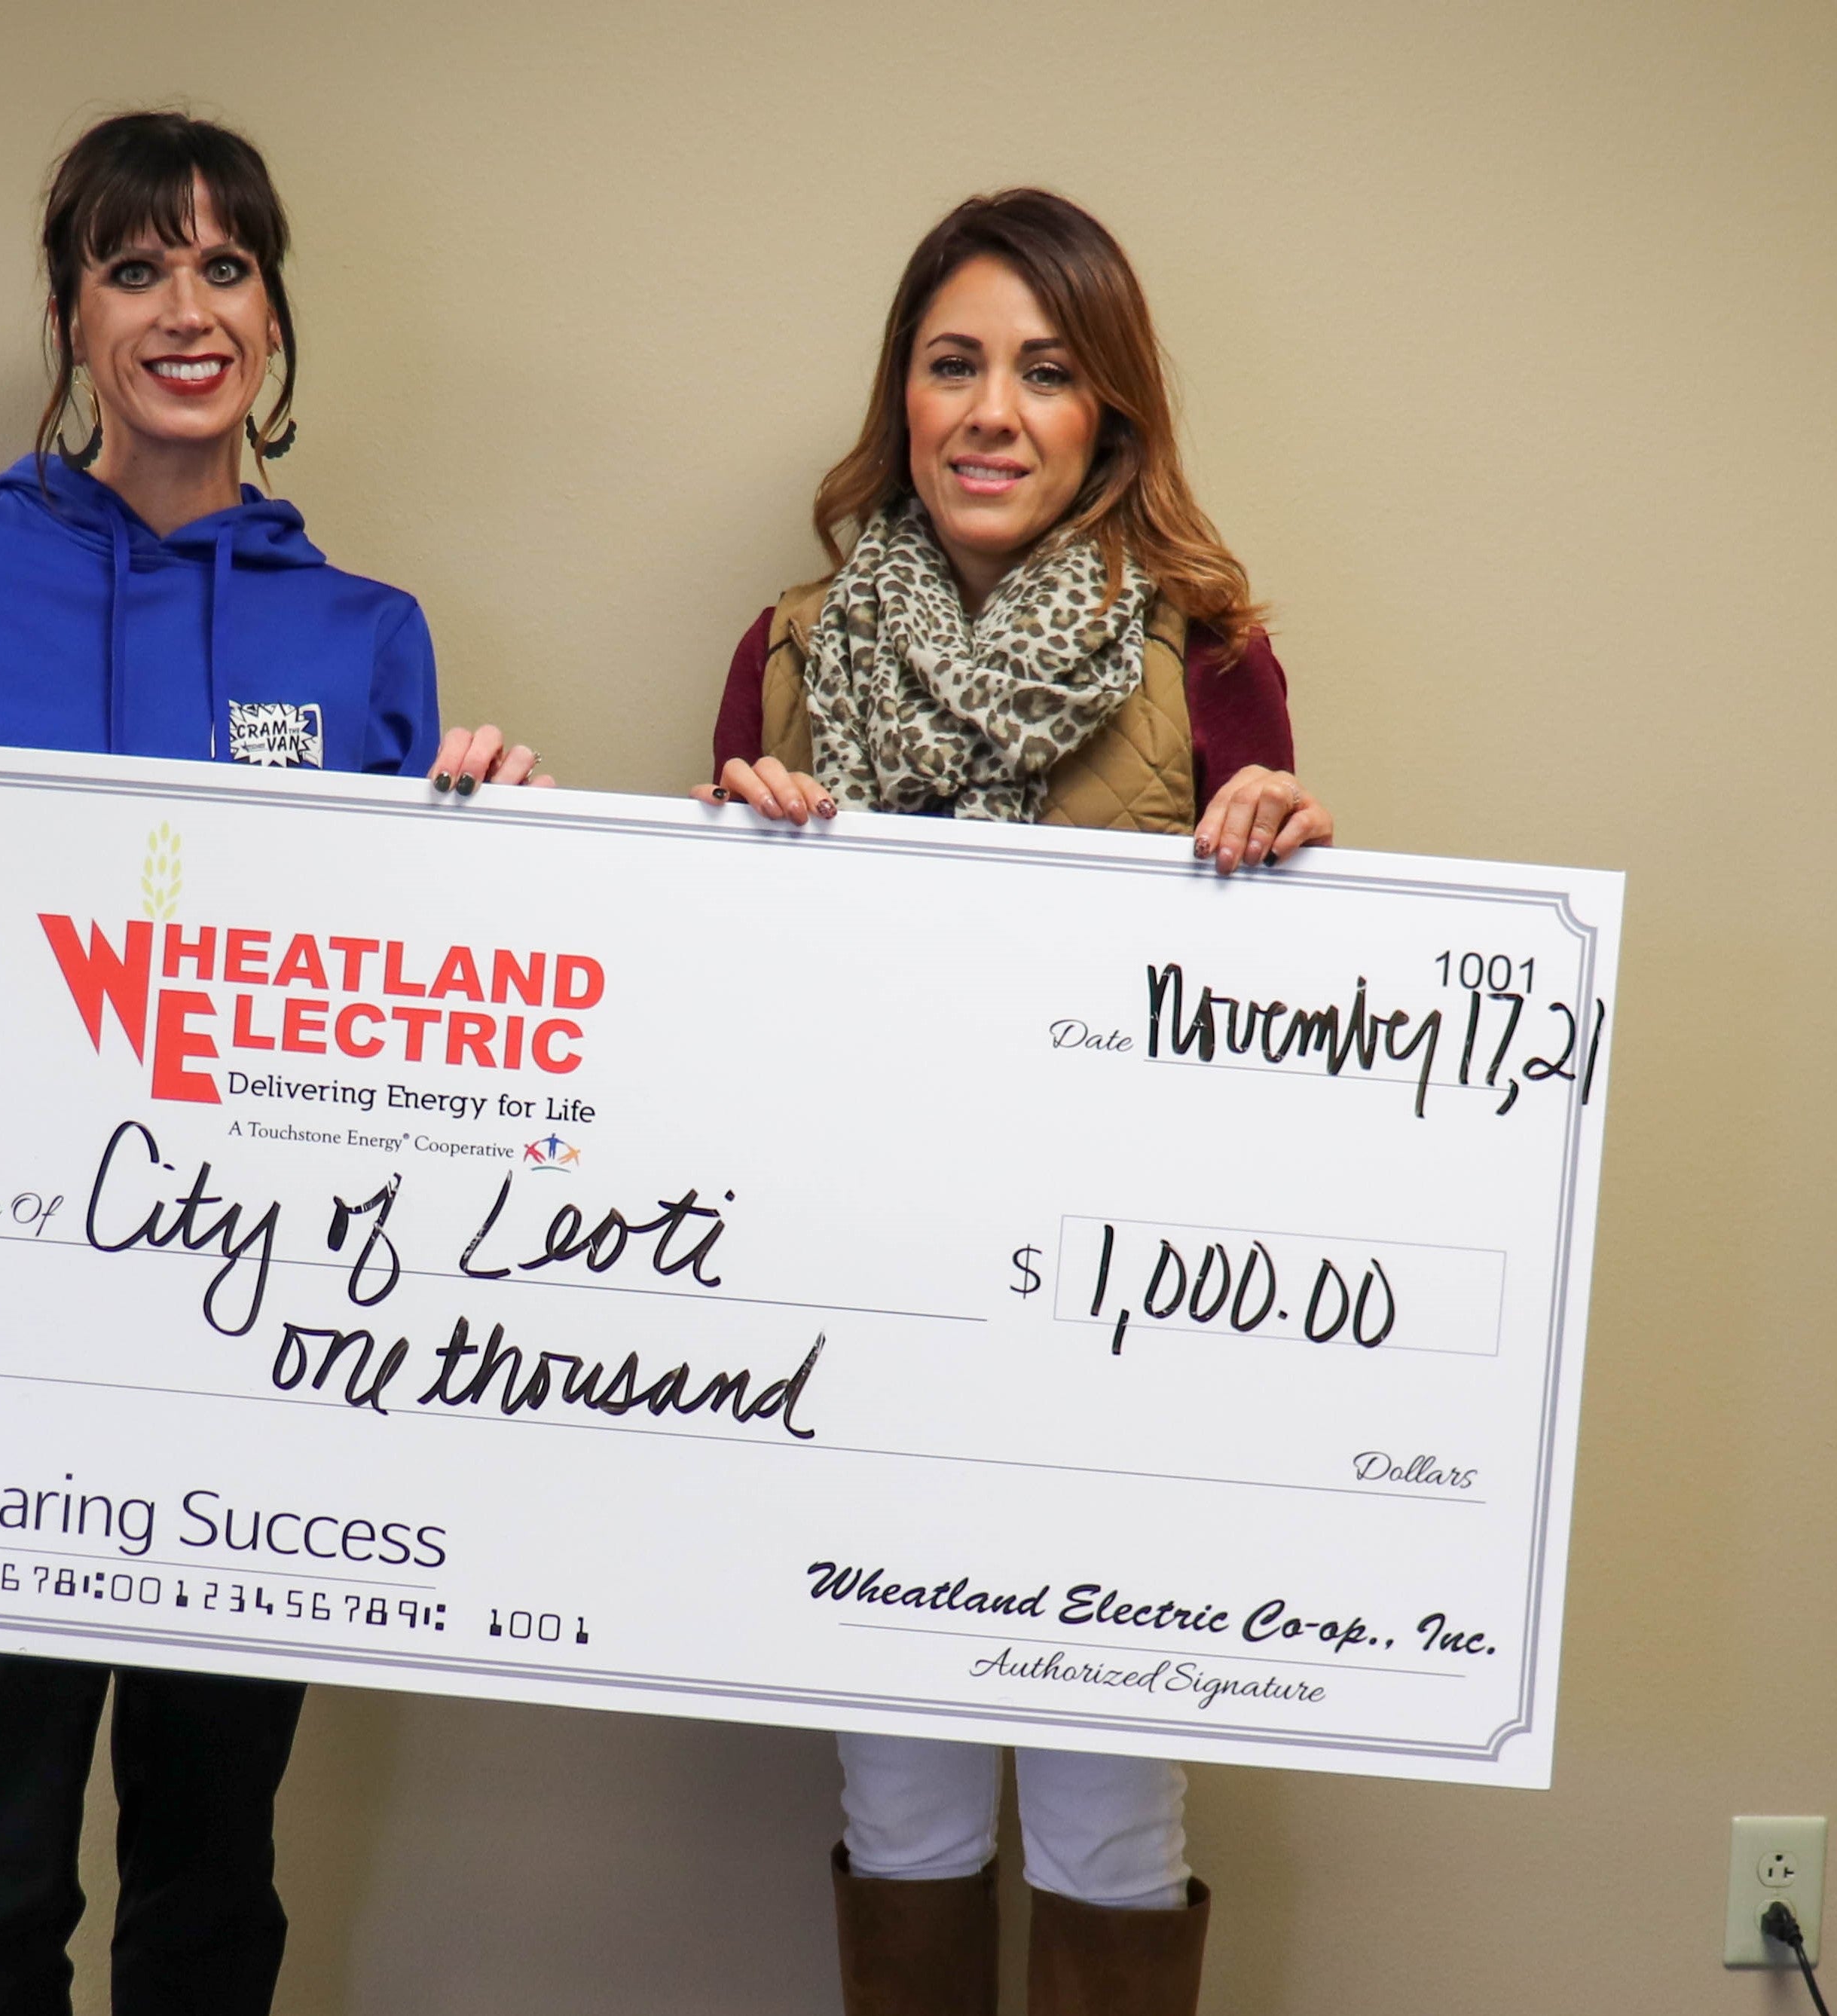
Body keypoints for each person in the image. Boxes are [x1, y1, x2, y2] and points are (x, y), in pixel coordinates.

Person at [0, 111, 539, 2015]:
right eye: (137, 267)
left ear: (273, 317)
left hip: (259, 1354)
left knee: (210, 1875)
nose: (188, 309)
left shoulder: (364, 638)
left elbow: (392, 994)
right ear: (71, 318)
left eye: (227, 267)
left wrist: (488, 851)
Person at [699, 189, 1335, 2016]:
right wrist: (725, 857)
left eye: (1045, 373)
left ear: (1107, 413)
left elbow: (1273, 1054)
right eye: (953, 364)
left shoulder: (1211, 658)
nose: (992, 412)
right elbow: (716, 1040)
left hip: (1115, 1356)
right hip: (861, 1328)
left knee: (1109, 1824)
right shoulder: (788, 652)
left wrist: (1294, 863)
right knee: (899, 1809)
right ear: (899, 397)